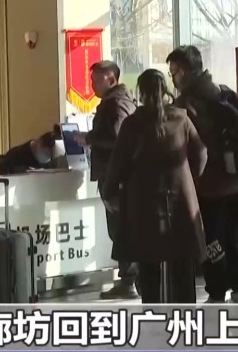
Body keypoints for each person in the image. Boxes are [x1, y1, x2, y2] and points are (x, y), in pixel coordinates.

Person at [103, 69, 207, 303]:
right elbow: (201, 153)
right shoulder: (181, 118)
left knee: (149, 267)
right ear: (165, 90)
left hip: (144, 205)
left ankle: (154, 316)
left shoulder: (133, 124)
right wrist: (190, 181)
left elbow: (117, 163)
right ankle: (185, 317)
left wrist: (110, 193)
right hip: (181, 203)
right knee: (182, 267)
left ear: (140, 92)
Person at [167, 45, 238, 303]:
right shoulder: (224, 93)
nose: (172, 78)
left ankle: (216, 292)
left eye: (173, 72)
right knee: (234, 236)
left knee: (211, 239)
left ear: (183, 72)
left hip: (210, 184)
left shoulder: (184, 105)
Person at [73, 60, 139, 299]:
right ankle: (130, 279)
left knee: (121, 230)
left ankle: (129, 281)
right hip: (118, 176)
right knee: (122, 229)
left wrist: (90, 139)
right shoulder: (122, 102)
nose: (92, 85)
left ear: (111, 79)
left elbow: (119, 140)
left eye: (96, 80)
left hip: (116, 177)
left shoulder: (115, 105)